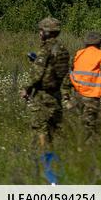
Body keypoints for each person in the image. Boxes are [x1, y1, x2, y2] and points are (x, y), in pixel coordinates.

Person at [19, 17, 70, 150]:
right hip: (57, 95)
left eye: (41, 30)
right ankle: (58, 160)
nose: (39, 33)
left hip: (43, 96)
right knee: (56, 130)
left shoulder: (46, 49)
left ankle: (41, 163)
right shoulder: (63, 49)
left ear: (46, 32)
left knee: (40, 130)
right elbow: (60, 72)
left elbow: (37, 74)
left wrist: (26, 89)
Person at [66, 31, 101, 139]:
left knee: (77, 126)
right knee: (91, 129)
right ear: (100, 42)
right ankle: (90, 152)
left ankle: (76, 148)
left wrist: (66, 95)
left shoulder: (78, 54)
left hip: (76, 96)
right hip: (91, 98)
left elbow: (69, 74)